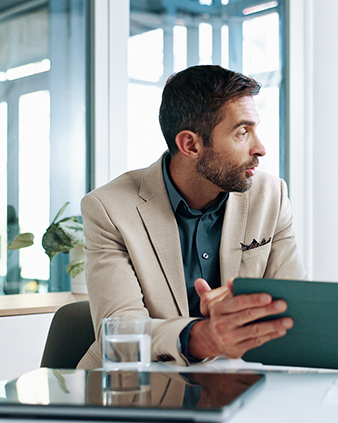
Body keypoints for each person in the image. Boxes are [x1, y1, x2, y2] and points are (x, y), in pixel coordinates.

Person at [77, 65, 306, 369]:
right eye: (242, 132)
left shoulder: (271, 195)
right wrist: (203, 337)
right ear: (190, 145)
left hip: (240, 380)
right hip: (136, 389)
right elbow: (119, 331)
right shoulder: (109, 208)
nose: (260, 148)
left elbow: (293, 314)